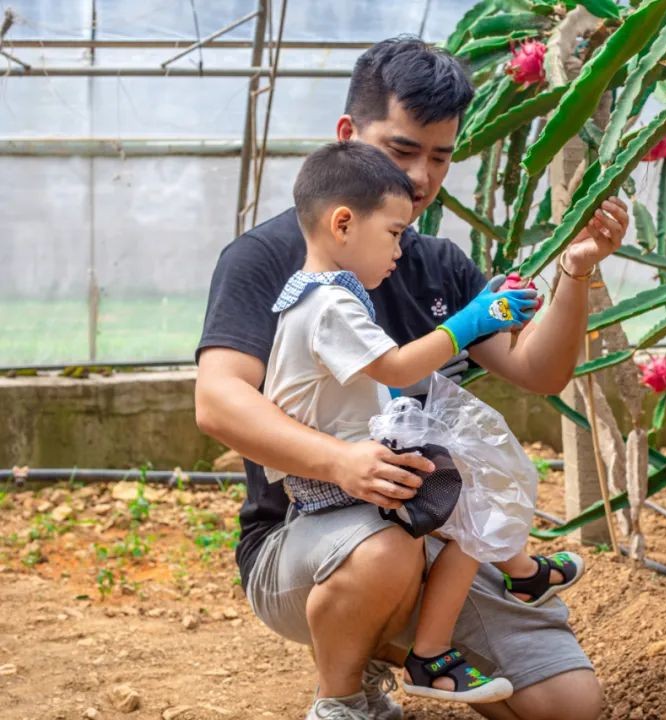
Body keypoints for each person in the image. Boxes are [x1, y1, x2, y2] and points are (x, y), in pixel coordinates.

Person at [195, 36, 629, 720]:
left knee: (569, 705)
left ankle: (407, 641)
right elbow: (218, 404)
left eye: (441, 156)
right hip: (307, 538)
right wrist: (342, 462)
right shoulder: (266, 259)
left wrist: (576, 271)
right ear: (348, 137)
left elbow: (538, 371)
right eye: (402, 152)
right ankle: (347, 695)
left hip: (422, 526)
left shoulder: (435, 261)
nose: (423, 178)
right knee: (386, 551)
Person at [263, 141, 585, 711]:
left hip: (342, 478)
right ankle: (433, 650)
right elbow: (398, 367)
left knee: (465, 494)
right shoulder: (331, 304)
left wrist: (485, 310)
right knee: (466, 495)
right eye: (392, 233)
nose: (399, 247)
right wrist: (470, 323)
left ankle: (522, 572)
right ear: (343, 224)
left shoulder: (312, 296)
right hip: (336, 489)